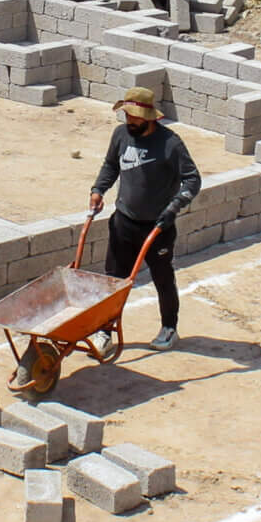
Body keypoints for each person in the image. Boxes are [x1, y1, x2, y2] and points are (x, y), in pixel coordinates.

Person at [88, 86, 201, 351]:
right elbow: (111, 165)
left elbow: (192, 179)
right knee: (113, 279)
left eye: (134, 117)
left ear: (150, 117)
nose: (129, 121)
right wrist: (97, 190)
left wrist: (175, 206)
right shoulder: (120, 136)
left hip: (158, 226)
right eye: (127, 116)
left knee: (162, 278)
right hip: (124, 222)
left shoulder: (170, 144)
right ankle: (105, 331)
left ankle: (169, 327)